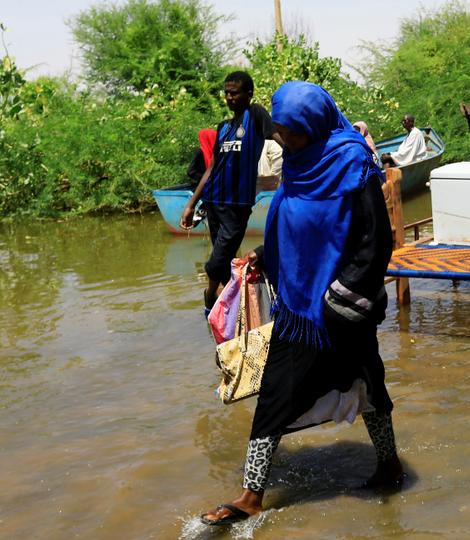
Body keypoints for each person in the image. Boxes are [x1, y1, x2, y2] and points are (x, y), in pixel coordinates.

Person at [200, 81, 401, 526]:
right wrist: (263, 255)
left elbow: (375, 240)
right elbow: (291, 219)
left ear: (312, 125)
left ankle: (388, 466)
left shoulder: (350, 161)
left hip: (338, 309)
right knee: (276, 391)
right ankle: (253, 493)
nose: (280, 139)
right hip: (298, 306)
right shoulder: (298, 159)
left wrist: (341, 297)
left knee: (368, 386)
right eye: (279, 130)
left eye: (290, 132)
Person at [179, 71, 285, 313]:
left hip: (237, 206)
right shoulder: (224, 127)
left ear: (249, 94)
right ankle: (231, 314)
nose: (229, 97)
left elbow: (279, 138)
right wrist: (191, 204)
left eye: (234, 93)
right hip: (213, 201)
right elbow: (211, 168)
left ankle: (210, 296)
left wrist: (303, 156)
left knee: (217, 260)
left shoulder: (255, 116)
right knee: (224, 260)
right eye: (226, 93)